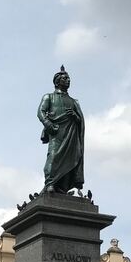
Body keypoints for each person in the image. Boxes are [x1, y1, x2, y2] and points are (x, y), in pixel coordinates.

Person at [37, 65, 85, 193]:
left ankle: (63, 187)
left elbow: (80, 120)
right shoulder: (49, 97)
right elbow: (40, 112)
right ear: (57, 81)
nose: (68, 80)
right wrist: (48, 125)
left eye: (69, 78)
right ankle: (50, 183)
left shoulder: (74, 101)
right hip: (57, 132)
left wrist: (75, 116)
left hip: (71, 134)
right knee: (53, 157)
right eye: (65, 78)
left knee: (71, 159)